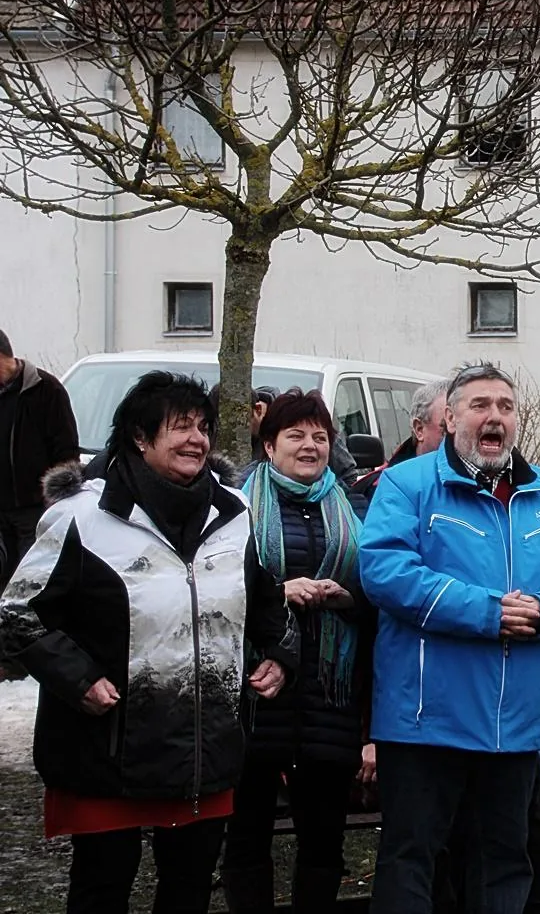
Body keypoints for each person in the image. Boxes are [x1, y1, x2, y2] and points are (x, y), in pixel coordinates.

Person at [0, 371, 296, 914]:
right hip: (108, 746)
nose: (197, 440)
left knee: (188, 886)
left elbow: (268, 602)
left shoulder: (234, 514)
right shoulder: (80, 518)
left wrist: (279, 655)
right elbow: (18, 613)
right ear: (139, 436)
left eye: (203, 427)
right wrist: (79, 678)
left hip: (203, 745)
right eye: (180, 427)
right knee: (103, 885)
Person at [358, 362, 540, 914]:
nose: (494, 416)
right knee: (413, 863)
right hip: (426, 721)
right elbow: (384, 570)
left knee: (505, 862)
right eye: (479, 405)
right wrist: (488, 612)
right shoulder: (408, 484)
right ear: (449, 417)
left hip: (515, 725)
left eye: (505, 406)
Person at [221, 389, 372, 914]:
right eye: (296, 436)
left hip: (330, 690)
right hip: (258, 688)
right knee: (247, 831)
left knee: (323, 837)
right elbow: (215, 590)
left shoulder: (355, 505)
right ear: (268, 445)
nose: (310, 446)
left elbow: (378, 591)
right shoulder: (235, 505)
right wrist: (277, 593)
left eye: (320, 436)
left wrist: (347, 596)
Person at [0, 329, 80, 582]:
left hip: (34, 511)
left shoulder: (46, 390)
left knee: (30, 582)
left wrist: (58, 503)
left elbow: (67, 451)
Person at [352, 379, 449, 498]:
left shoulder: (476, 482)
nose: (457, 439)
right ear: (419, 429)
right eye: (446, 428)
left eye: (463, 429)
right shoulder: (378, 489)